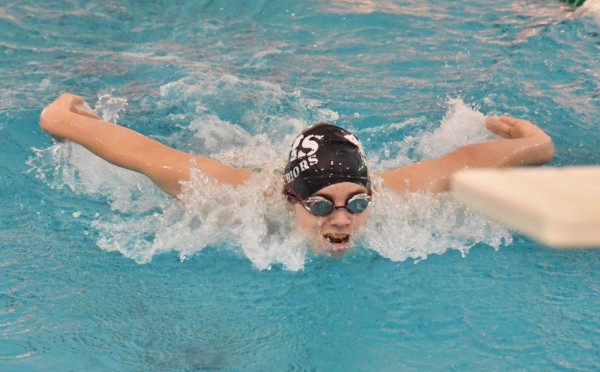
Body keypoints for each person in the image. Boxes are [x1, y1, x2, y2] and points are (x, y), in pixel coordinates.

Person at [39, 93, 555, 253]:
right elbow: (144, 152)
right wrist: (62, 118)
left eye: (356, 201)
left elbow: (460, 162)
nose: (341, 220)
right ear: (292, 199)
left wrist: (536, 143)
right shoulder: (226, 195)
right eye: (319, 204)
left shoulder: (396, 195)